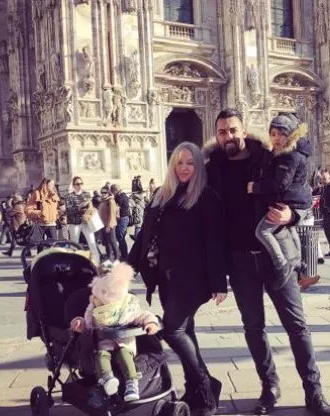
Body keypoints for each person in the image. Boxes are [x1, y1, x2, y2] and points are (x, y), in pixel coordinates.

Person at [204, 108, 330, 416]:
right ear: (217, 135)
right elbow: (205, 217)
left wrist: (293, 215)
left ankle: (314, 391)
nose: (228, 136)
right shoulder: (212, 169)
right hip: (239, 260)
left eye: (233, 130)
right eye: (222, 132)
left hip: (278, 258)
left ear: (243, 130)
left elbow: (303, 196)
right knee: (253, 328)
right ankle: (269, 386)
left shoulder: (269, 155)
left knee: (297, 326)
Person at [129, 142, 228, 416]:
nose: (184, 168)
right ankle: (197, 388)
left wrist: (219, 282)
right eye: (179, 162)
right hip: (165, 277)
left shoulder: (205, 197)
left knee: (174, 330)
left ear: (199, 167)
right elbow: (144, 236)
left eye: (190, 163)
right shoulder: (161, 195)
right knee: (185, 331)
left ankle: (206, 391)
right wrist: (126, 268)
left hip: (193, 278)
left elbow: (214, 242)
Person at [70, 263, 160, 402]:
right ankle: (108, 379)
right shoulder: (94, 306)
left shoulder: (127, 306)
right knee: (101, 356)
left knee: (124, 355)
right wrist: (79, 323)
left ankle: (132, 383)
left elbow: (142, 315)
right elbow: (87, 322)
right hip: (103, 344)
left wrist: (151, 323)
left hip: (124, 343)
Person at [247, 113, 313, 281]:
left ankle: (282, 264)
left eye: (282, 134)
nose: (276, 138)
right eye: (273, 134)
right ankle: (299, 264)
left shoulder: (289, 155)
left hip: (291, 201)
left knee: (262, 231)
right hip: (298, 201)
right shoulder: (290, 152)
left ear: (290, 136)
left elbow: (280, 184)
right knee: (291, 228)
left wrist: (256, 187)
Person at [64, 176, 102, 262]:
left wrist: (89, 208)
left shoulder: (86, 194)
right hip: (74, 223)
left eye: (81, 183)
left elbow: (90, 208)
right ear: (73, 185)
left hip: (86, 222)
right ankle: (74, 262)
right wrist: (79, 207)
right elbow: (68, 211)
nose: (80, 185)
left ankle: (97, 261)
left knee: (92, 242)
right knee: (74, 243)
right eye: (77, 184)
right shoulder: (69, 196)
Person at [98, 188, 120, 264]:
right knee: (107, 242)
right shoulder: (103, 201)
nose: (103, 194)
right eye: (102, 192)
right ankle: (109, 258)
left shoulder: (110, 201)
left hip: (110, 225)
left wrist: (109, 226)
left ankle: (117, 258)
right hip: (103, 225)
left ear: (108, 193)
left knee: (113, 241)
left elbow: (112, 215)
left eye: (105, 192)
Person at [111, 184, 130, 260]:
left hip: (122, 219)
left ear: (115, 190)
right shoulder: (124, 195)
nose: (113, 194)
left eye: (113, 192)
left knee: (121, 238)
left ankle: (125, 255)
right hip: (125, 218)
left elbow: (116, 209)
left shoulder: (120, 197)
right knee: (121, 237)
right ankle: (121, 253)